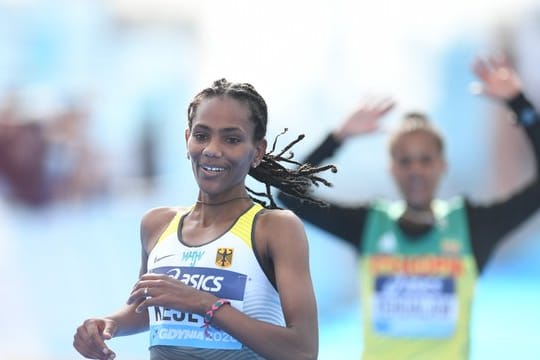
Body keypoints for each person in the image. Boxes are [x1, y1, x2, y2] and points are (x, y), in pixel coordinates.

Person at [277, 56, 540, 360]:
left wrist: (522, 106)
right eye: (405, 160)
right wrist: (339, 137)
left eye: (425, 160)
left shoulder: (471, 225)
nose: (416, 170)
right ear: (392, 169)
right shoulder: (369, 225)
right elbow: (289, 194)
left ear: (442, 166)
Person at [73, 78, 336, 360]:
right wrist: (110, 323)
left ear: (257, 151)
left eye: (231, 139)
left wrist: (206, 305)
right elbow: (147, 310)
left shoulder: (275, 228)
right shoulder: (157, 224)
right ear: (187, 140)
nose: (212, 149)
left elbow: (303, 350)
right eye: (201, 135)